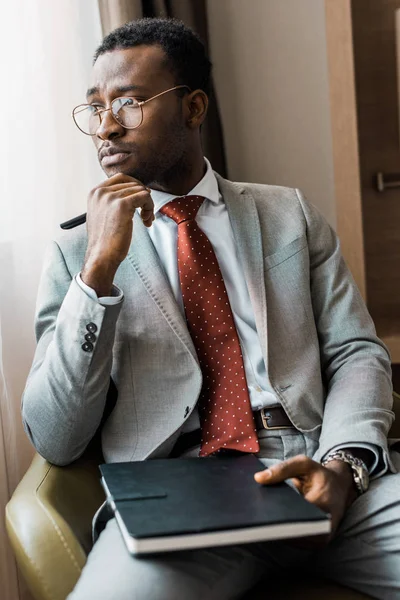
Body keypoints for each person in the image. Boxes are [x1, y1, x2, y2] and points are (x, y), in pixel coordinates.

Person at [22, 17, 400, 600]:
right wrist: (97, 275)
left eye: (127, 103)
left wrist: (343, 467)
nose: (105, 127)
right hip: (179, 492)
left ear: (194, 108)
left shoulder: (288, 215)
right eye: (95, 107)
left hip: (314, 465)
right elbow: (54, 436)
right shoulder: (76, 253)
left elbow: (355, 352)